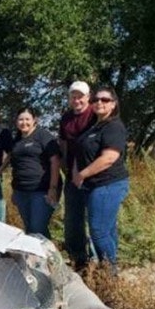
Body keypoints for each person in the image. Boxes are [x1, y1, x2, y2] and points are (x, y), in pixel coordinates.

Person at [72, 86, 129, 273]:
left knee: (98, 231)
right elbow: (79, 151)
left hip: (108, 184)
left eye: (105, 100)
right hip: (94, 186)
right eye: (96, 99)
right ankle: (110, 267)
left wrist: (82, 174)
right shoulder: (95, 126)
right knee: (108, 229)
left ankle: (110, 273)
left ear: (113, 104)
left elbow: (109, 158)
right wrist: (75, 171)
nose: (99, 103)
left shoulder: (114, 126)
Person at [59, 81, 96, 269]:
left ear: (88, 97)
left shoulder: (95, 115)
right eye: (73, 96)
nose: (77, 100)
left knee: (96, 219)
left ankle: (100, 261)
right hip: (72, 176)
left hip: (94, 175)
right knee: (73, 219)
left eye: (80, 96)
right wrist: (66, 166)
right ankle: (78, 259)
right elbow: (63, 143)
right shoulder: (66, 118)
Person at [10, 107, 61, 238]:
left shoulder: (43, 135)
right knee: (30, 229)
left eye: (27, 119)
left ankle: (49, 257)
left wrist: (53, 188)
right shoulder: (17, 140)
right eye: (21, 119)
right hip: (21, 191)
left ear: (34, 120)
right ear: (16, 122)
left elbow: (55, 161)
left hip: (42, 190)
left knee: (36, 228)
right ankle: (42, 256)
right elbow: (15, 166)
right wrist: (14, 191)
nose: (24, 122)